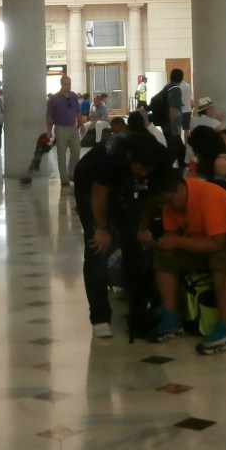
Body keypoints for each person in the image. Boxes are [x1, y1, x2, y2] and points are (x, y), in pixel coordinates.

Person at [142, 171, 226, 353]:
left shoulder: (208, 196)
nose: (167, 206)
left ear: (180, 189)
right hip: (202, 239)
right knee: (164, 257)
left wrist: (178, 242)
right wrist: (161, 244)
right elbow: (172, 241)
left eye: (169, 201)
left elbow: (218, 243)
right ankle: (171, 316)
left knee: (221, 261)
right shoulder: (169, 203)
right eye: (162, 203)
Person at [73, 132, 171, 338]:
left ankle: (139, 312)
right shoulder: (112, 155)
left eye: (147, 170)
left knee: (135, 246)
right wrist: (100, 229)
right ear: (129, 158)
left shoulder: (159, 157)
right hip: (89, 185)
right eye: (139, 169)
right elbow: (99, 193)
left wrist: (142, 227)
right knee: (97, 249)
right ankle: (99, 317)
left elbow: (154, 195)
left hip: (125, 188)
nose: (143, 173)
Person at [45, 74, 82, 187]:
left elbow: (77, 110)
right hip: (60, 128)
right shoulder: (55, 99)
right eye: (66, 84)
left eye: (69, 84)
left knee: (76, 150)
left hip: (73, 127)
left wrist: (80, 122)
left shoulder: (74, 96)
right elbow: (49, 116)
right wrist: (49, 130)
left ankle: (72, 173)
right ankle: (64, 177)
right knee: (61, 153)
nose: (68, 86)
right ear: (61, 84)